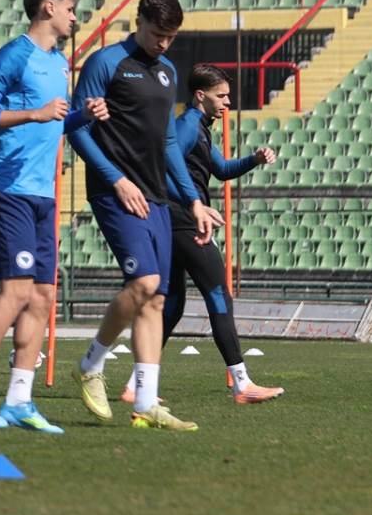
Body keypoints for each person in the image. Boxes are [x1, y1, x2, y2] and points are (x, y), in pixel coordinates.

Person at [0, 0, 107, 433]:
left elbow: (60, 124)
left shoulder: (59, 62)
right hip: (9, 188)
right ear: (49, 8)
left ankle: (19, 399)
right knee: (15, 291)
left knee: (42, 297)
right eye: (72, 8)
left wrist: (84, 116)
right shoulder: (15, 54)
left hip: (42, 193)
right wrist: (33, 113)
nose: (77, 16)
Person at [68, 0, 217, 432]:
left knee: (155, 299)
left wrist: (190, 196)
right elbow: (77, 131)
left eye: (171, 37)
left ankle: (147, 403)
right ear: (139, 22)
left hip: (157, 196)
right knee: (145, 281)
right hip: (115, 191)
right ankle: (91, 364)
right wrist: (115, 179)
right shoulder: (105, 63)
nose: (164, 44)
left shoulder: (169, 72)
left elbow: (169, 142)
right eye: (157, 34)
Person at [117, 63, 284, 405]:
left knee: (173, 306)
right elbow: (165, 166)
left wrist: (253, 159)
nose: (227, 102)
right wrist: (194, 204)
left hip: (175, 221)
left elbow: (220, 170)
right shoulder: (189, 124)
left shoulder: (201, 127)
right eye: (221, 96)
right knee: (219, 295)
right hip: (184, 222)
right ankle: (242, 384)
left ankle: (136, 384)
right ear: (200, 96)